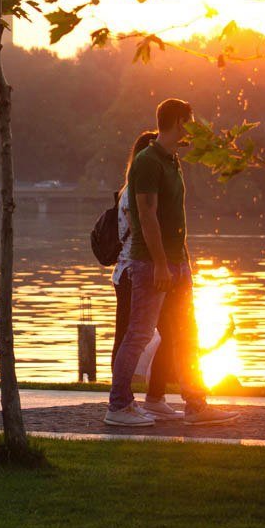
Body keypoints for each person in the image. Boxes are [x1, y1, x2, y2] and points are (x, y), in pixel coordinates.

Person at [104, 98, 238, 427]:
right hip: (151, 263)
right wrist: (162, 263)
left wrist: (182, 263)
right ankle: (119, 406)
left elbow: (174, 217)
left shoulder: (173, 160)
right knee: (138, 334)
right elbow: (147, 216)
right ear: (179, 122)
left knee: (186, 335)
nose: (193, 128)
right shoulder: (148, 161)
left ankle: (196, 404)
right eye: (190, 121)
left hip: (179, 263)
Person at [111, 130, 181, 421]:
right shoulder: (132, 193)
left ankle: (152, 396)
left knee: (167, 334)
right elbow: (145, 230)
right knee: (133, 336)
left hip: (137, 269)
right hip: (135, 271)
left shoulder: (126, 191)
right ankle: (122, 401)